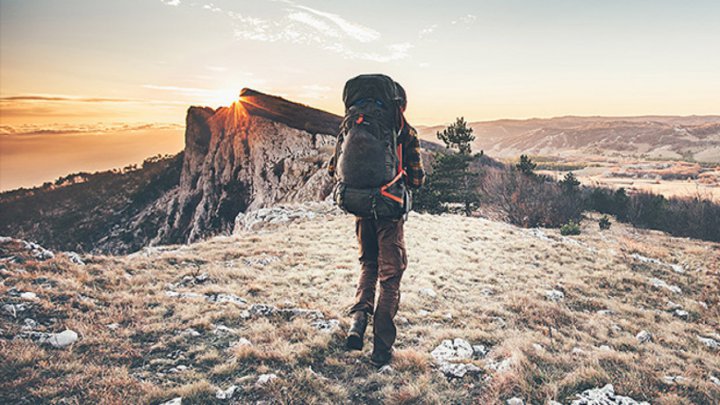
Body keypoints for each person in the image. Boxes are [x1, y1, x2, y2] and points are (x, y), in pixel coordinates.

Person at [328, 81, 425, 367]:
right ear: (399, 105)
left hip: (360, 206)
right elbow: (417, 179)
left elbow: (334, 169)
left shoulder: (350, 124)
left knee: (368, 265)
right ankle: (382, 350)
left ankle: (357, 326)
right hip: (388, 211)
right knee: (390, 277)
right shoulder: (404, 131)